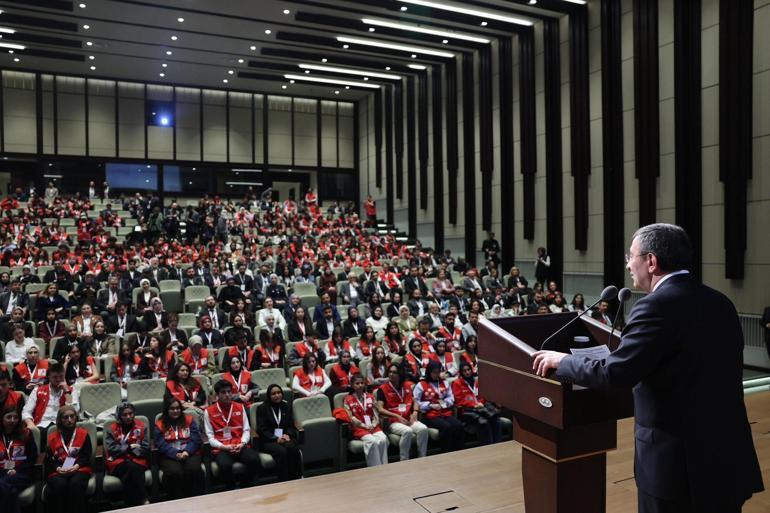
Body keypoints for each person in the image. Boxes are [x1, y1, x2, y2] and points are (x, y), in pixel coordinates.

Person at [532, 223, 764, 513]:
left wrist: (562, 360)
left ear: (651, 261)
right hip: (727, 461)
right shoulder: (721, 303)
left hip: (677, 470)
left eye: (632, 256)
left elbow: (615, 372)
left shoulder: (655, 307)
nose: (628, 265)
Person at [203, 380, 260, 489]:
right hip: (222, 447)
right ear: (217, 395)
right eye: (223, 392)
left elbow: (247, 430)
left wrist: (242, 443)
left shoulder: (240, 407)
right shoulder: (209, 411)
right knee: (225, 466)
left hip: (239, 444)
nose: (227, 395)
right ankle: (231, 489)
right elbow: (209, 436)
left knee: (254, 460)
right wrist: (224, 447)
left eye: (229, 392)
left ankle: (245, 487)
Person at [153, 397, 204, 500]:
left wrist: (187, 452)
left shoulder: (189, 420)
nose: (175, 411)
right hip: (169, 455)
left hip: (189, 452)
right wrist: (175, 454)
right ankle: (177, 501)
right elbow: (160, 443)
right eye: (172, 408)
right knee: (174, 472)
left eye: (177, 408)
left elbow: (196, 439)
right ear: (167, 410)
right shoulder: (160, 424)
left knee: (194, 469)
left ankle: (195, 499)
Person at [375, 364, 429, 461]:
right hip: (393, 421)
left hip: (408, 418)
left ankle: (422, 458)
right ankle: (404, 460)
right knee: (407, 431)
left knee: (423, 429)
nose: (391, 374)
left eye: (394, 372)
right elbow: (380, 409)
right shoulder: (382, 389)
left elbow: (415, 401)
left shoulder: (407, 385)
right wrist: (397, 416)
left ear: (400, 374)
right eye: (390, 372)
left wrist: (415, 412)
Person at [45, 406, 91, 513]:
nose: (69, 420)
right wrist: (58, 468)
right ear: (60, 420)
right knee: (60, 485)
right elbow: (49, 460)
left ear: (76, 418)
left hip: (79, 468)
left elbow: (86, 456)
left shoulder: (83, 434)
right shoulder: (52, 437)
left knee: (75, 484)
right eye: (65, 417)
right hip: (59, 470)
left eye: (72, 416)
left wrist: (76, 466)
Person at [104, 402, 149, 507]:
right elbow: (111, 449)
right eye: (125, 415)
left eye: (130, 413)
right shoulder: (111, 428)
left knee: (130, 471)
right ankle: (144, 499)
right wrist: (129, 449)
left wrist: (130, 451)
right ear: (119, 416)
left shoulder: (142, 426)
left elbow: (145, 448)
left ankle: (130, 505)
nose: (128, 417)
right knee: (132, 468)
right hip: (117, 462)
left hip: (137, 459)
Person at [413, 361, 465, 453]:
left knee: (459, 425)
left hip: (444, 412)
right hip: (429, 414)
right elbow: (415, 401)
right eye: (434, 372)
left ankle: (459, 452)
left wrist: (445, 403)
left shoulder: (444, 383)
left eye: (438, 372)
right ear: (429, 372)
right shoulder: (421, 385)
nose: (436, 375)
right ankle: (446, 452)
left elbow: (451, 397)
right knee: (447, 427)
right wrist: (430, 405)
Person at [256, 384, 303, 482]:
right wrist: (275, 438)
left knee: (293, 448)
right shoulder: (262, 408)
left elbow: (290, 424)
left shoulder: (285, 406)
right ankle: (284, 481)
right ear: (269, 396)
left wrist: (288, 435)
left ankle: (296, 478)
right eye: (273, 394)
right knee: (282, 452)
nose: (277, 395)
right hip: (268, 440)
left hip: (284, 437)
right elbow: (261, 429)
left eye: (279, 393)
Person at [343, 373, 388, 467]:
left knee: (383, 439)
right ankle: (375, 468)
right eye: (357, 383)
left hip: (373, 426)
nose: (360, 385)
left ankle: (384, 466)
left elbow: (376, 413)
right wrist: (364, 426)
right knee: (372, 441)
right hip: (359, 428)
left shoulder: (370, 396)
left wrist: (374, 424)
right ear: (352, 385)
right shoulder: (348, 399)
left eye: (362, 383)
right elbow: (351, 417)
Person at [452, 361, 502, 445]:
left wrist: (480, 403)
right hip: (467, 411)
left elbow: (483, 395)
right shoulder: (457, 383)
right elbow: (459, 400)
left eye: (468, 370)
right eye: (464, 371)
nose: (467, 372)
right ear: (461, 372)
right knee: (483, 422)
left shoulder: (477, 380)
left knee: (496, 420)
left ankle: (498, 444)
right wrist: (474, 405)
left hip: (481, 407)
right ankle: (488, 447)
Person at [0, 406, 38, 513]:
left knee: (1, 484)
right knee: (11, 492)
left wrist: (17, 470)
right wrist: (5, 471)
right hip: (1, 472)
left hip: (21, 474)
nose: (13, 420)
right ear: (2, 418)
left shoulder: (26, 434)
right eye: (9, 417)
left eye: (16, 417)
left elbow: (32, 457)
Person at [22, 363, 78, 432]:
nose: (58, 380)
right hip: (41, 425)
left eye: (61, 376)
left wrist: (66, 392)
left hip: (63, 426)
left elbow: (75, 411)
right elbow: (26, 411)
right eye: (55, 377)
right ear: (49, 377)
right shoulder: (38, 390)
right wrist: (31, 425)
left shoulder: (71, 390)